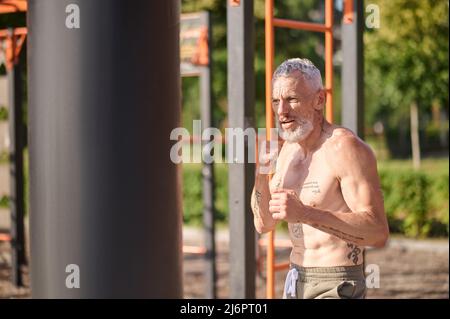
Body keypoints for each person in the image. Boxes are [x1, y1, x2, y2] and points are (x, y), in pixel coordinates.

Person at [251, 58, 389, 299]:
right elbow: (263, 224)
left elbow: (378, 233)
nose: (281, 111)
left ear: (319, 100)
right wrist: (262, 172)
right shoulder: (286, 151)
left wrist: (304, 213)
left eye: (292, 99)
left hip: (337, 281)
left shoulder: (344, 148)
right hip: (296, 279)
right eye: (276, 101)